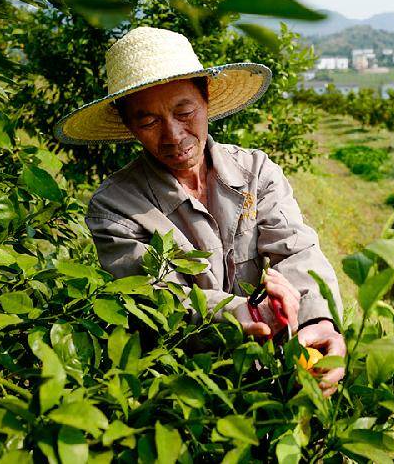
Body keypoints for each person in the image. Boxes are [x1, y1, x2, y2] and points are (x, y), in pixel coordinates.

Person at [54, 26, 345, 396]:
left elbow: (297, 249)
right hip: (183, 386)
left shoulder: (256, 172)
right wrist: (238, 313)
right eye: (148, 122)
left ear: (205, 99)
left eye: (184, 111)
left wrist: (319, 320)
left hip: (272, 369)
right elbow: (158, 297)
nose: (173, 135)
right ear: (129, 126)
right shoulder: (115, 208)